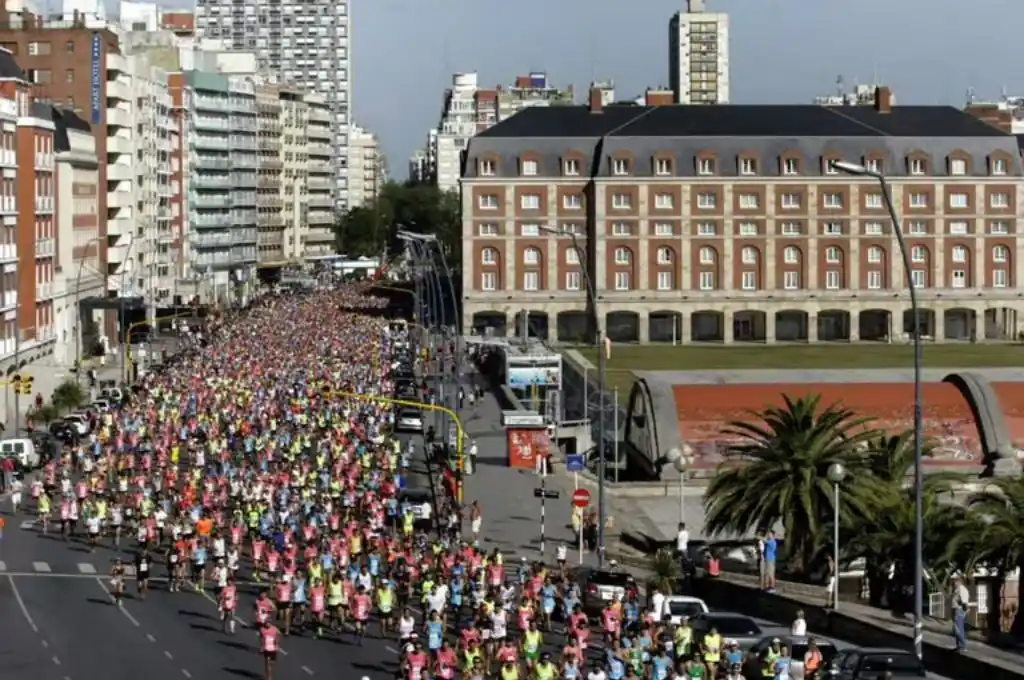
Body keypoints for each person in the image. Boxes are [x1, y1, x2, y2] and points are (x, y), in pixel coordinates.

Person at [951, 574, 969, 652]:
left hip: (959, 610)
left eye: (955, 581)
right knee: (956, 628)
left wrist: (965, 611)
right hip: (956, 610)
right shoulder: (957, 589)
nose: (953, 583)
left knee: (958, 629)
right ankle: (959, 645)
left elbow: (964, 602)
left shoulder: (962, 589)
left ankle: (963, 646)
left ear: (959, 581)